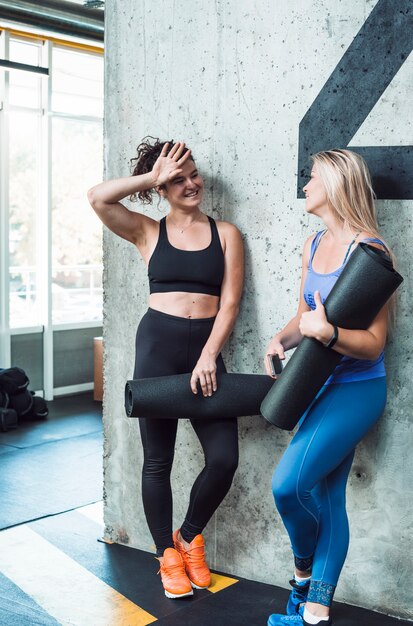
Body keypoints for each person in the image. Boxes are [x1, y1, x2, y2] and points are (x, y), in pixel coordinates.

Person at [88, 138, 244, 599]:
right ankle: (166, 555)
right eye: (177, 179)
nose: (191, 183)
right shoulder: (146, 232)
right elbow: (98, 197)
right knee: (158, 460)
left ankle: (189, 535)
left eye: (192, 173)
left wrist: (210, 354)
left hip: (207, 353)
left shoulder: (227, 233)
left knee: (224, 459)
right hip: (158, 346)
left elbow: (231, 302)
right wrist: (153, 175)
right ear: (160, 186)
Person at [264, 149, 391, 625]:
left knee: (288, 486)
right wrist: (282, 337)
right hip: (315, 384)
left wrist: (329, 334)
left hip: (356, 390)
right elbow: (306, 316)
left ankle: (301, 574)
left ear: (336, 184)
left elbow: (374, 344)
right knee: (330, 498)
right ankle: (314, 610)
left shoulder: (372, 252)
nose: (304, 187)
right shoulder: (313, 245)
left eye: (311, 179)